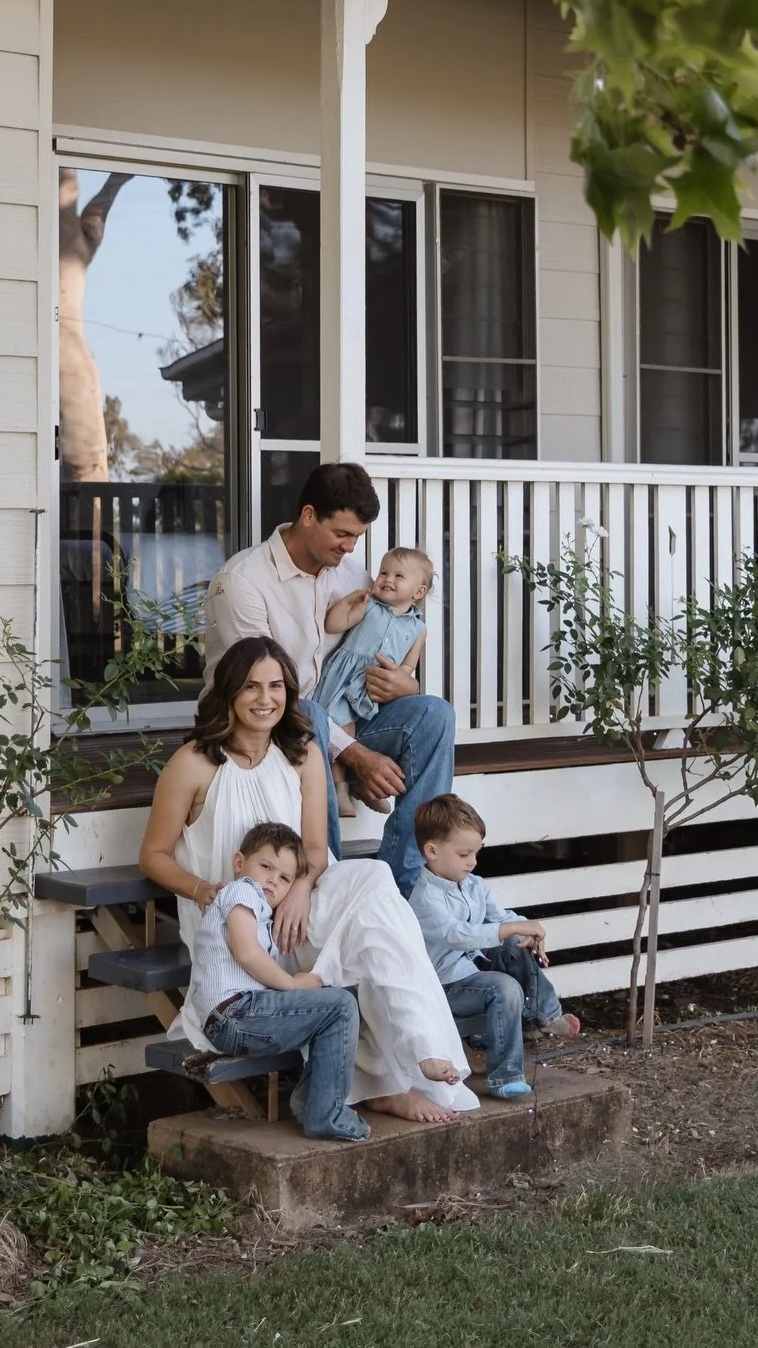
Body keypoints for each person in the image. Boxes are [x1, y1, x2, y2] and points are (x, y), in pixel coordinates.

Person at [139, 636, 479, 1123]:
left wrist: (299, 891)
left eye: (276, 686)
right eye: (251, 687)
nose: (265, 698)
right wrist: (205, 892)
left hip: (296, 908)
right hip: (239, 925)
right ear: (230, 693)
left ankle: (409, 1063)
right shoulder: (194, 763)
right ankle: (406, 1069)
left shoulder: (301, 754)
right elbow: (152, 855)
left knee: (376, 883)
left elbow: (316, 851)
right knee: (374, 921)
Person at [202, 462, 455, 896]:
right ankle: (329, 886)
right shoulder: (244, 582)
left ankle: (404, 889)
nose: (351, 546)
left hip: (339, 719)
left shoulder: (353, 575)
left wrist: (403, 686)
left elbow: (386, 643)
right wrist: (355, 755)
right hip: (263, 726)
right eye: (342, 534)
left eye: (357, 536)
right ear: (308, 516)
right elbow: (268, 696)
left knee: (435, 714)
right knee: (310, 712)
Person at [188, 819, 369, 1143]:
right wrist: (292, 984)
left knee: (336, 1001)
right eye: (266, 867)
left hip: (240, 1015)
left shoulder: (262, 911)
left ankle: (310, 1102)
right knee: (340, 1006)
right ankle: (325, 1114)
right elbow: (245, 952)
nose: (272, 880)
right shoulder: (241, 891)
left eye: (284, 877)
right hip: (233, 1014)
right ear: (239, 862)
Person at [408, 794, 581, 1101]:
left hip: (475, 969)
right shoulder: (424, 898)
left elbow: (501, 919)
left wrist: (527, 929)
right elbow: (458, 935)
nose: (472, 861)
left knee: (516, 940)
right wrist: (512, 928)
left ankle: (543, 1013)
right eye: (464, 854)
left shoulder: (475, 885)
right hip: (444, 986)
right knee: (505, 987)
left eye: (476, 852)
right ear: (432, 851)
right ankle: (505, 1076)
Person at [312, 547, 432, 818]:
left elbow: (408, 667)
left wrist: (401, 682)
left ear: (418, 592)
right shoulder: (369, 607)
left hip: (375, 692)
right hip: (345, 682)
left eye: (398, 575)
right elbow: (334, 624)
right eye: (383, 572)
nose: (387, 579)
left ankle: (364, 786)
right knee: (346, 730)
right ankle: (340, 788)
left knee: (390, 734)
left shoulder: (418, 629)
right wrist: (348, 603)